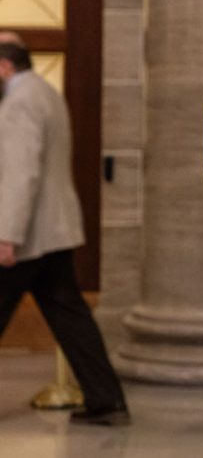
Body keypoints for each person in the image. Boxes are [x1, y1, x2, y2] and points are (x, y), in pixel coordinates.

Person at [0, 32, 129, 426]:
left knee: (67, 314)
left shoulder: (19, 103)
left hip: (28, 236)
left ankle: (107, 400)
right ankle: (106, 400)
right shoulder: (46, 93)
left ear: (5, 67)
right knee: (70, 316)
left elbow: (21, 174)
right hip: (53, 230)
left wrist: (7, 234)